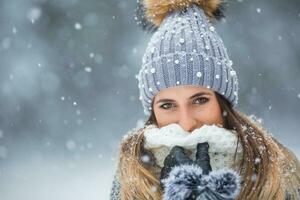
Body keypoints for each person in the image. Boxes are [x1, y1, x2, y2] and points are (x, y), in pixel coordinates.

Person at [110, 0, 300, 199]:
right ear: (153, 111)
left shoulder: (278, 172)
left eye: (199, 100)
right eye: (167, 105)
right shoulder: (132, 178)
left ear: (222, 102)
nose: (186, 123)